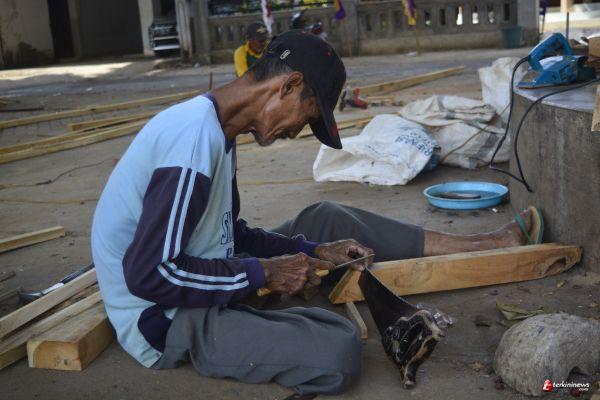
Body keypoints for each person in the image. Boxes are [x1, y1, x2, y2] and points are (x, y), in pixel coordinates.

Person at [91, 30, 540, 398]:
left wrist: (311, 250)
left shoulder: (217, 130)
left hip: (196, 275)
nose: (296, 133)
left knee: (325, 219)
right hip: (164, 318)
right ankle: (272, 321)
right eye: (307, 116)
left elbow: (228, 233)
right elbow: (148, 275)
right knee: (336, 351)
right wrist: (264, 273)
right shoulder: (191, 146)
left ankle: (484, 243)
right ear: (288, 86)